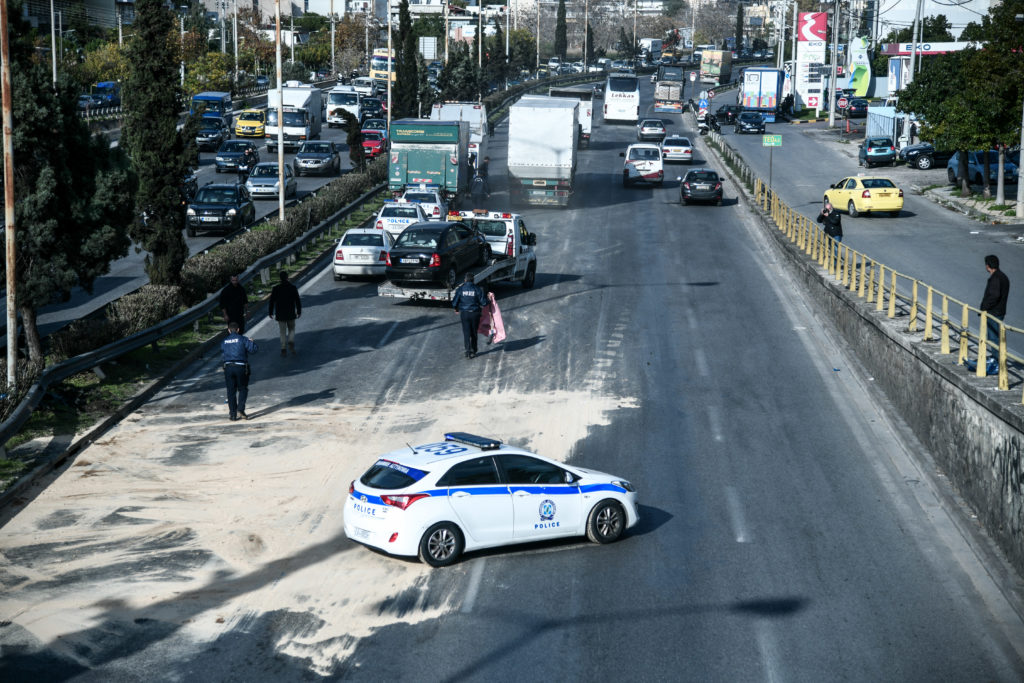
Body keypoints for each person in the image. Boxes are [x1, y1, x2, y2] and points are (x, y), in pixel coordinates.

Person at [221, 321, 258, 421]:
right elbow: (253, 350)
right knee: (243, 388)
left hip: (228, 367)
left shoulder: (224, 341)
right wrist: (252, 342)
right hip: (241, 367)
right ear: (238, 330)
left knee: (231, 391)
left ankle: (232, 414)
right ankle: (240, 409)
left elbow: (223, 354)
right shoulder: (243, 339)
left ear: (229, 330)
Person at [980, 254, 1010, 361]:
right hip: (1000, 311)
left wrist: (984, 308)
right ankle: (997, 358)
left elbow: (994, 296)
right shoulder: (1003, 276)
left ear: (988, 266)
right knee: (997, 336)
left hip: (994, 312)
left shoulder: (996, 278)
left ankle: (997, 360)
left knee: (994, 337)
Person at [268, 270, 302, 356]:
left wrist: (270, 312)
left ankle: (283, 348)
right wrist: (298, 311)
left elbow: (271, 301)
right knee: (292, 329)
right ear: (287, 278)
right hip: (290, 313)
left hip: (280, 314)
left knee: (282, 332)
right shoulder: (292, 288)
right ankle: (290, 341)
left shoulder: (276, 289)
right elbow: (297, 300)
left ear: (280, 279)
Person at [452, 272, 486, 358]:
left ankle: (467, 351)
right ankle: (474, 350)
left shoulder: (461, 289)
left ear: (465, 280)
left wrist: (456, 309)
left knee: (466, 333)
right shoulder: (477, 289)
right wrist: (489, 299)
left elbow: (455, 302)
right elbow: (484, 302)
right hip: (475, 314)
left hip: (465, 314)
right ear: (473, 280)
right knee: (474, 333)